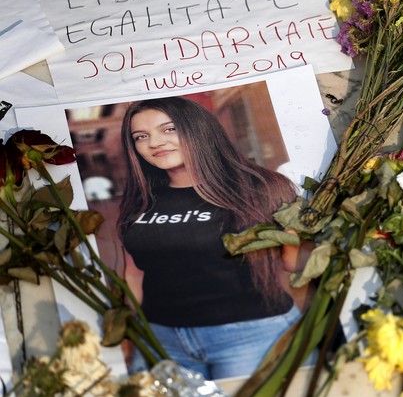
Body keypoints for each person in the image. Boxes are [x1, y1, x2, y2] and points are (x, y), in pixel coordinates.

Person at [117, 96, 309, 379]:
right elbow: (133, 273)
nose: (154, 143)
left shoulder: (260, 188)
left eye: (168, 129)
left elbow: (294, 262)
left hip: (251, 336)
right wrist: (129, 333)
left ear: (198, 128)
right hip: (162, 340)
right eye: (141, 136)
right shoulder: (141, 200)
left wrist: (319, 232)